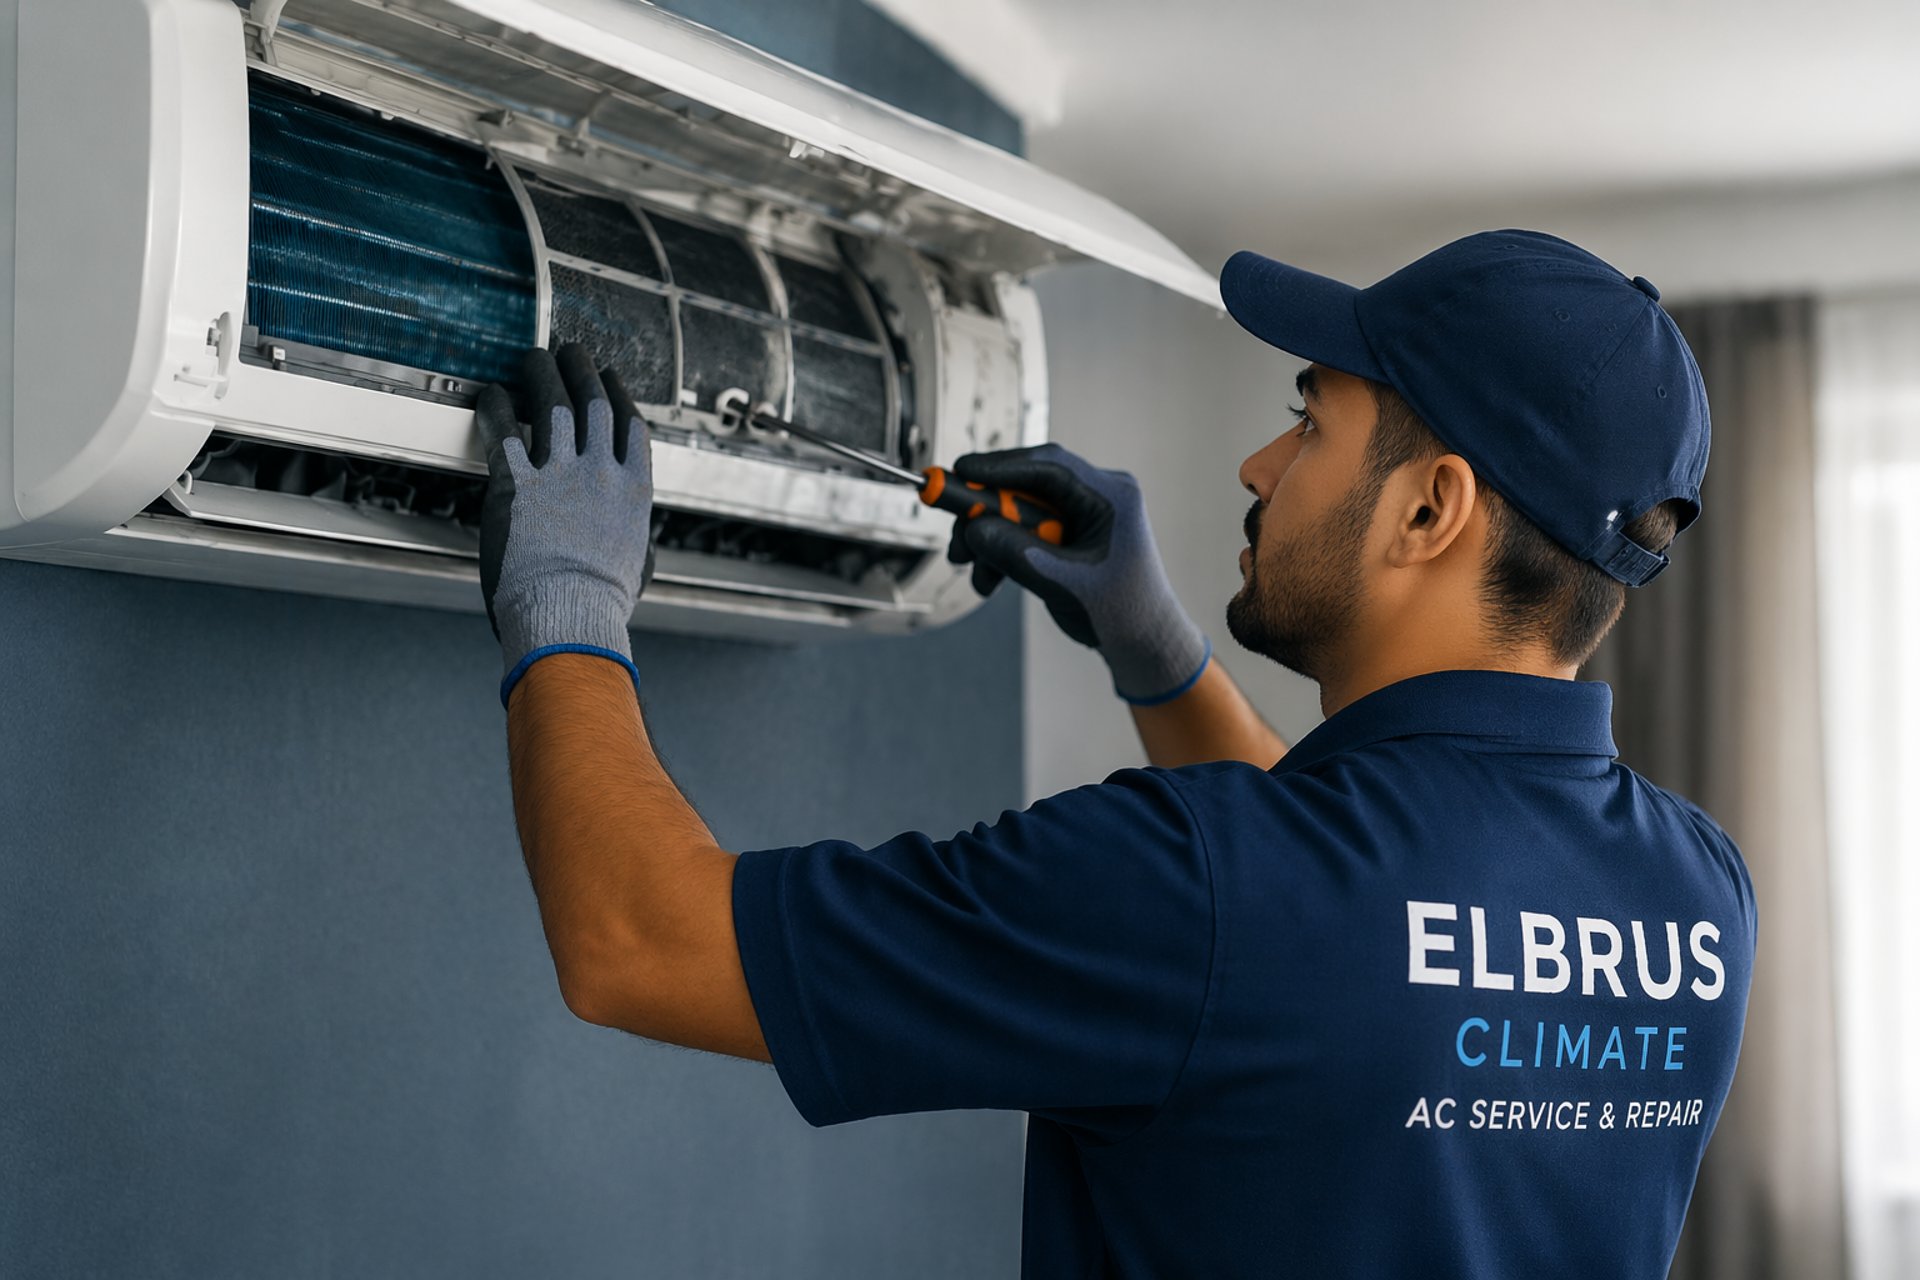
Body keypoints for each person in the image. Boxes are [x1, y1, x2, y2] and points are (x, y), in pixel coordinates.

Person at [473, 229, 1756, 1278]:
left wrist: (569, 600)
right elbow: (1340, 908)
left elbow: (639, 941)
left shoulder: (1203, 881)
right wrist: (1156, 648)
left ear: (1430, 508)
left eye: (1310, 422)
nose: (1260, 463)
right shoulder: (1703, 894)